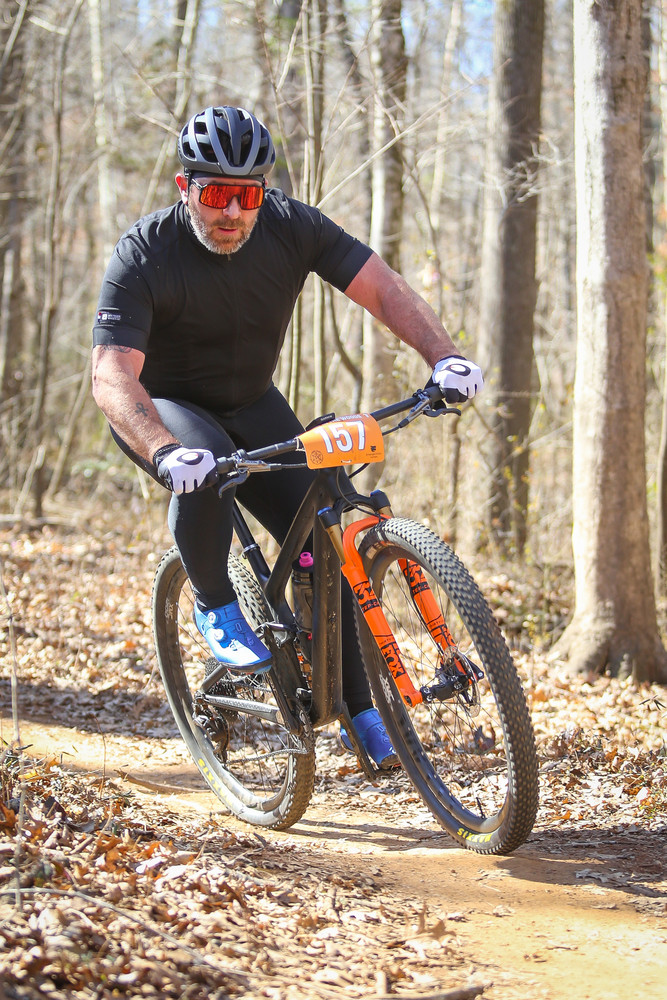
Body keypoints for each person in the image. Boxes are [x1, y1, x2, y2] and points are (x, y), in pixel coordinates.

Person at [91, 105, 483, 770]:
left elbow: (382, 289)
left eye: (246, 196)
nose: (231, 212)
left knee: (321, 542)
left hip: (252, 400)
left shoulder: (292, 226)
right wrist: (163, 449)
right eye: (215, 194)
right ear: (185, 187)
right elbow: (110, 374)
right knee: (208, 467)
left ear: (264, 192)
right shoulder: (145, 252)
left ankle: (359, 712)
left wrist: (443, 357)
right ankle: (215, 603)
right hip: (168, 408)